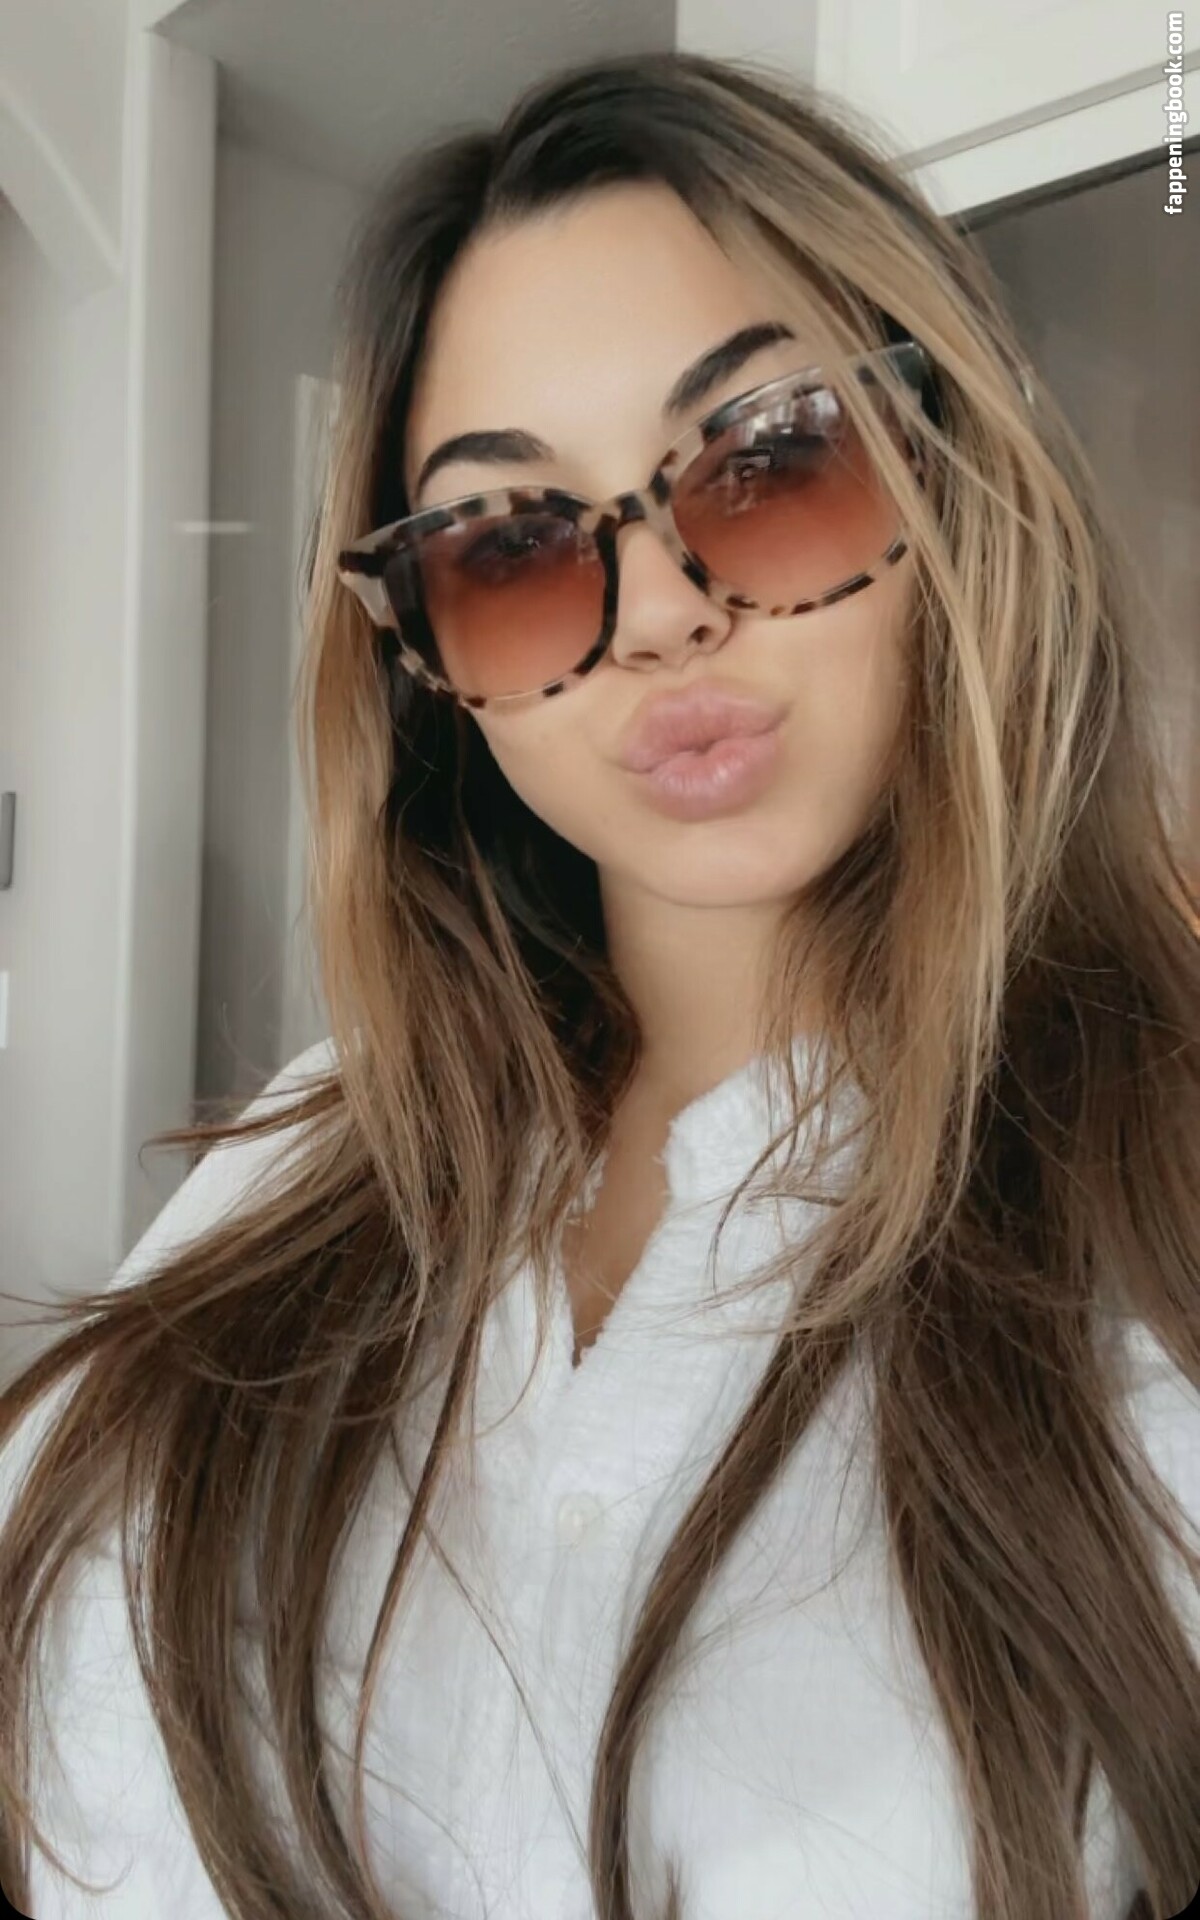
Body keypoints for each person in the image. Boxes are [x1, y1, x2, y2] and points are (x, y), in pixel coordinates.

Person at [1, 46, 1198, 1920]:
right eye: (509, 545)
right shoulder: (295, 1163)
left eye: (771, 460)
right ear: (426, 657)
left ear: (950, 466)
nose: (659, 617)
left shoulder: (1158, 1222)